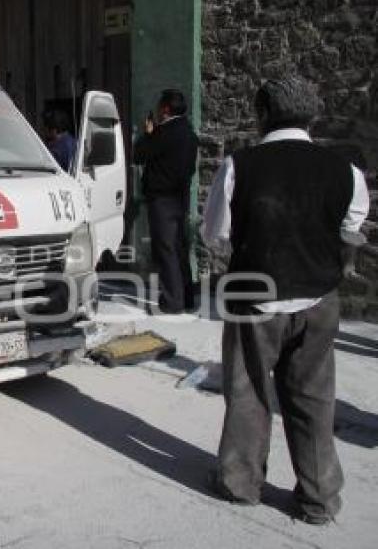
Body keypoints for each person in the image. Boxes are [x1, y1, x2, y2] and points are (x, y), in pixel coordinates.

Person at [202, 77, 370, 524]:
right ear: (312, 114)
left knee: (248, 390)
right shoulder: (345, 170)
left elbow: (214, 233)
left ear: (262, 113)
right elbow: (352, 227)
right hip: (318, 297)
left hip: (255, 297)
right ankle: (318, 499)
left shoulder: (240, 166)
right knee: (313, 398)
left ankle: (241, 483)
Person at [133, 89, 199, 313]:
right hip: (181, 196)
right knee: (180, 246)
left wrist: (149, 133)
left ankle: (172, 301)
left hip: (162, 198)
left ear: (165, 109)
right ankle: (188, 297)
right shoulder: (189, 133)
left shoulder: (164, 133)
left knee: (166, 249)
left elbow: (139, 154)